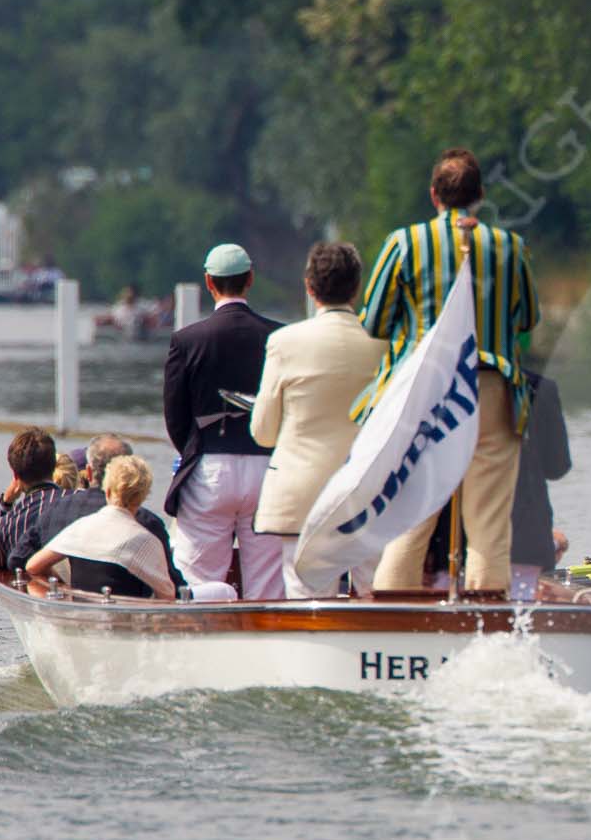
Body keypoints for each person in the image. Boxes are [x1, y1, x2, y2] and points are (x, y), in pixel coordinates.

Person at [360, 147, 542, 593]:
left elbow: (374, 322)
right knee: (489, 522)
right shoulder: (509, 246)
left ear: (433, 195)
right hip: (491, 389)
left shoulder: (404, 244)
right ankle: (485, 626)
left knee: (410, 515)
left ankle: (394, 622)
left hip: (423, 388)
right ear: (479, 195)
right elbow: (526, 319)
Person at [250, 242, 390, 598]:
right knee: (378, 595)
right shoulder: (382, 344)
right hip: (367, 490)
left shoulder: (284, 342)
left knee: (306, 600)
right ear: (357, 288)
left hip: (302, 493)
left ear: (309, 288)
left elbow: (263, 433)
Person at [163, 241, 283, 599]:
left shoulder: (187, 340)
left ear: (209, 282)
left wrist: (196, 448)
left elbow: (175, 415)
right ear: (250, 280)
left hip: (209, 465)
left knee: (197, 581)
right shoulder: (278, 337)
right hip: (266, 467)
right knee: (268, 585)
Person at [18, 433, 181, 590]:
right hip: (131, 611)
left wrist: (60, 586)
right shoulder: (148, 524)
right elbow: (172, 587)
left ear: (88, 472)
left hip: (71, 608)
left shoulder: (56, 510)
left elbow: (19, 559)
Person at [508, 364, 572, 600]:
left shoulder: (427, 380)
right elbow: (557, 467)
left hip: (439, 553)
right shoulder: (538, 388)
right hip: (525, 546)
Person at [0, 426, 73, 572]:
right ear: (53, 466)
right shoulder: (77, 500)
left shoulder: (9, 521)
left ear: (15, 476)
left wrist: (6, 504)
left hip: (33, 587)